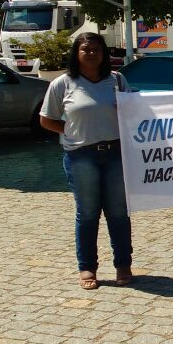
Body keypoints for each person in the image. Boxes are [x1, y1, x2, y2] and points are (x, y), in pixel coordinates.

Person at [39, 33, 133, 290]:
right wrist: (70, 131)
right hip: (81, 156)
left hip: (116, 154)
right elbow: (46, 119)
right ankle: (87, 267)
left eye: (96, 49)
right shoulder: (63, 83)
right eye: (85, 49)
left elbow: (135, 112)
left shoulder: (117, 80)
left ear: (103, 53)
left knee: (118, 213)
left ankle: (123, 266)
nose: (91, 53)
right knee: (88, 213)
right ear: (76, 53)